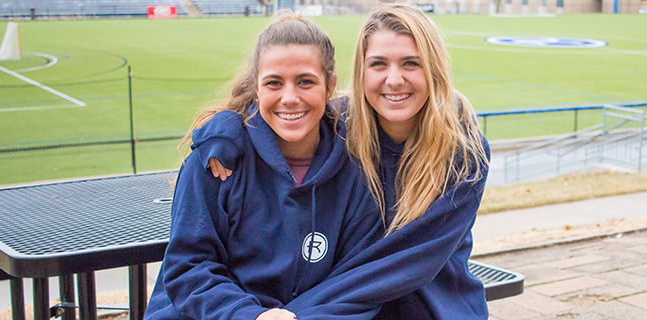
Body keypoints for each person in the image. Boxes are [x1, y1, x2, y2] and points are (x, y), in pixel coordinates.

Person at [196, 4, 492, 319]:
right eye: (378, 64)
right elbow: (274, 106)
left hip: (433, 307)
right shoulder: (342, 127)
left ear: (434, 70)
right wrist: (223, 130)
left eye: (411, 63)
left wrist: (292, 315)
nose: (394, 79)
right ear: (361, 72)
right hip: (349, 311)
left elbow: (389, 269)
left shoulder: (462, 155)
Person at [144, 11, 380, 320]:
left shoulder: (357, 167)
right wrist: (249, 315)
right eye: (274, 83)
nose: (290, 97)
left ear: (330, 85)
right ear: (256, 87)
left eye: (305, 82)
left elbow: (356, 283)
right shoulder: (217, 159)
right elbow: (188, 267)